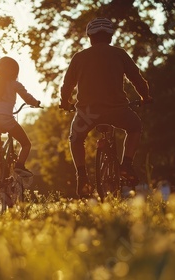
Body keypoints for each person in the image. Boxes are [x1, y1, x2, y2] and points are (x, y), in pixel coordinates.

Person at [59, 17, 152, 198]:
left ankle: (82, 177)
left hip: (87, 113)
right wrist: (145, 97)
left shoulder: (79, 57)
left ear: (90, 37)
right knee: (135, 127)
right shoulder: (119, 54)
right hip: (117, 110)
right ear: (110, 37)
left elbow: (67, 85)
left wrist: (64, 102)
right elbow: (137, 80)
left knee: (76, 139)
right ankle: (126, 164)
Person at [0, 56, 41, 177]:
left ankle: (0, 171)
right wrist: (36, 103)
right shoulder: (14, 84)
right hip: (6, 120)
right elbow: (27, 97)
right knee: (26, 144)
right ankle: (19, 166)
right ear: (14, 71)